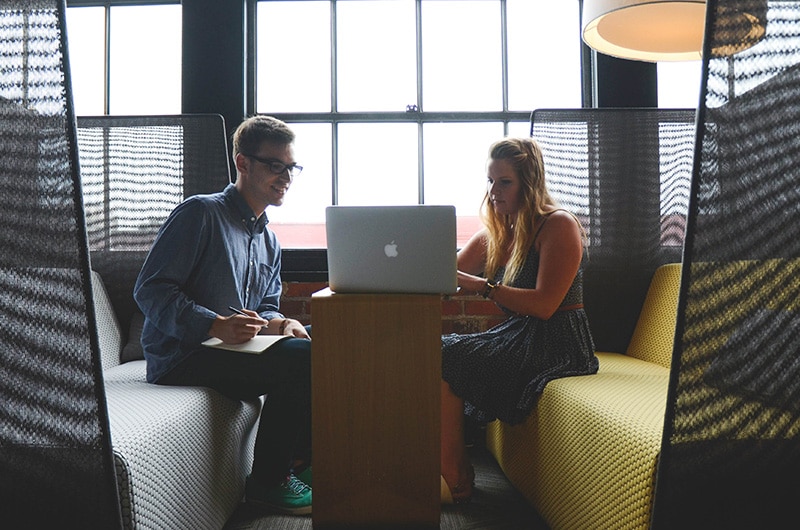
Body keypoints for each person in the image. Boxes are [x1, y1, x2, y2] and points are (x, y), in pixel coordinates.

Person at [133, 115, 313, 515]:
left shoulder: (269, 240)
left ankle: (302, 461)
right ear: (243, 163)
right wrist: (214, 325)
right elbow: (150, 290)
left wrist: (281, 323)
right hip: (184, 355)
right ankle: (268, 482)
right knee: (306, 359)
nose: (286, 177)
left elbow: (264, 306)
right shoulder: (200, 213)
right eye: (275, 165)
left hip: (235, 351)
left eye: (291, 167)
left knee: (321, 340)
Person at [439, 137, 598, 504]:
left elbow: (545, 305)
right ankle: (453, 470)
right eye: (490, 181)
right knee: (439, 351)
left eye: (504, 182)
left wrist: (484, 287)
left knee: (446, 356)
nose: (493, 191)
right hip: (519, 334)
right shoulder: (496, 233)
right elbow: (445, 275)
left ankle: (454, 477)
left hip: (558, 340)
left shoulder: (558, 225)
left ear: (529, 183)